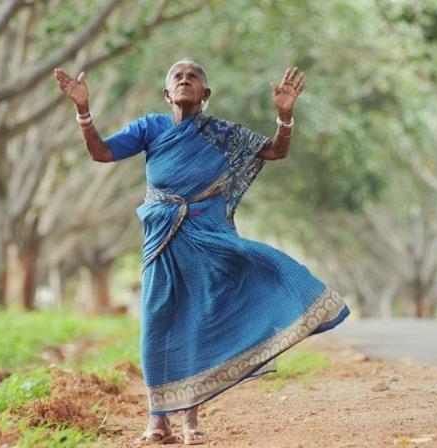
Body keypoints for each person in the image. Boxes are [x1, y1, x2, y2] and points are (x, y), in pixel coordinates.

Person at [53, 59, 350, 445]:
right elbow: (102, 152)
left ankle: (190, 420)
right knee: (157, 323)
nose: (184, 80)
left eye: (192, 77)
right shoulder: (150, 127)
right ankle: (157, 419)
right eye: (177, 76)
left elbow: (276, 151)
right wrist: (83, 109)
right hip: (162, 237)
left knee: (198, 320)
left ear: (205, 94)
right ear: (166, 93)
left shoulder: (223, 134)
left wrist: (285, 116)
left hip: (209, 236)